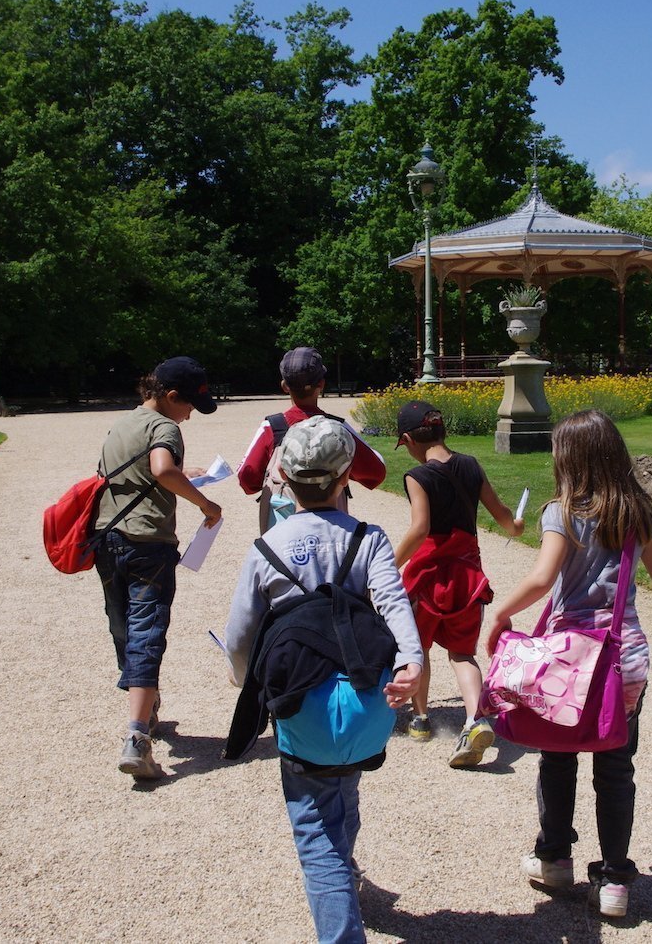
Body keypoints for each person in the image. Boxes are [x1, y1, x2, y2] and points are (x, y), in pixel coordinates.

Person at [485, 409, 652, 920]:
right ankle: (614, 880)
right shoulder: (637, 514)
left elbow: (541, 579)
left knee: (557, 758)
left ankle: (555, 856)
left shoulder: (561, 513)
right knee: (616, 768)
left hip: (571, 657)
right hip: (624, 657)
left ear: (567, 459)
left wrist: (501, 614)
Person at [226, 416, 423, 944]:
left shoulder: (267, 548)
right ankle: (349, 874)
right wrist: (412, 661)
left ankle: (340, 925)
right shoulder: (368, 539)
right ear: (344, 481)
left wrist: (248, 682)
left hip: (301, 705)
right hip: (365, 703)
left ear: (284, 479)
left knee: (314, 830)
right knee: (344, 787)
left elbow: (239, 640)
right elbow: (393, 602)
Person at [95, 356, 223, 780]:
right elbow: (162, 468)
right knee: (148, 631)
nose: (190, 415)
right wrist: (205, 503)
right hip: (148, 543)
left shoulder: (124, 423)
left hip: (108, 538)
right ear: (170, 397)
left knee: (125, 628)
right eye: (189, 406)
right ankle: (136, 737)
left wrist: (185, 473)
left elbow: (140, 470)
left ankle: (145, 710)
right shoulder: (167, 427)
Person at [391, 400, 524, 766]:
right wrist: (516, 527)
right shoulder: (471, 466)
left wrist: (389, 564)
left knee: (418, 649)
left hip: (429, 577)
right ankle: (474, 719)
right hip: (467, 576)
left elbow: (420, 530)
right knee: (463, 653)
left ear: (408, 439)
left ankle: (419, 719)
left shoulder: (417, 477)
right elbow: (503, 517)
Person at [237, 346, 386, 532]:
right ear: (321, 384)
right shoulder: (338, 428)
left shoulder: (272, 427)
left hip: (282, 532)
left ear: (284, 386)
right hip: (331, 527)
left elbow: (246, 478)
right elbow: (376, 472)